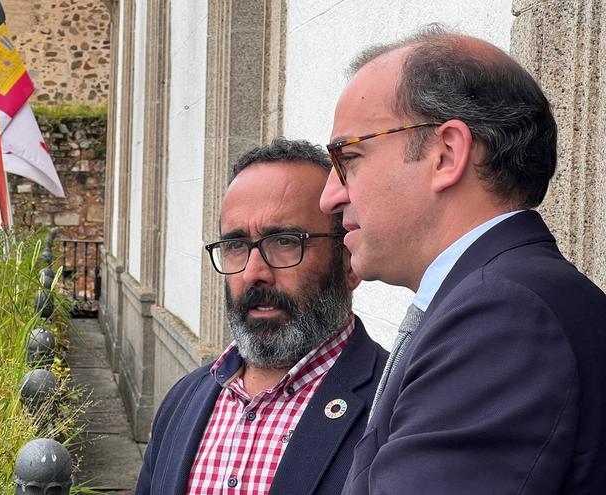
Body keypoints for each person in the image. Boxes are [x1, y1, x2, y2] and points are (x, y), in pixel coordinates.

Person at [319, 25, 606, 494]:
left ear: (446, 154)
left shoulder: (503, 316)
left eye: (348, 159)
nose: (330, 197)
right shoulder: (498, 298)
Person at [136, 139, 387, 494]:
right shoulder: (184, 400)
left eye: (284, 241)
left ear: (347, 261)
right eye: (236, 245)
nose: (254, 272)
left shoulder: (395, 408)